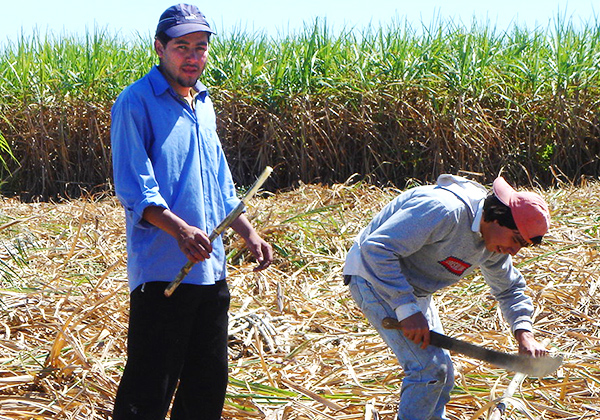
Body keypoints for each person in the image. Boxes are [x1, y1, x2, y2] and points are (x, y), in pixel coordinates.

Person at [110, 4, 273, 419]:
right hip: (164, 272)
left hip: (210, 270)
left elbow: (218, 182)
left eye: (200, 47)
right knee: (150, 385)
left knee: (207, 383)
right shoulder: (135, 103)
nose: (192, 56)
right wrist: (180, 230)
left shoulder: (203, 103)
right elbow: (135, 189)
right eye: (181, 46)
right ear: (160, 48)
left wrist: (247, 231)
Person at [343, 174, 550, 420]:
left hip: (413, 290)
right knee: (428, 370)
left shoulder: (494, 245)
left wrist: (524, 333)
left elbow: (509, 289)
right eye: (515, 240)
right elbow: (376, 249)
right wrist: (406, 308)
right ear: (495, 216)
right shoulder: (443, 210)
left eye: (522, 246)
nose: (514, 251)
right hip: (372, 276)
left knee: (443, 374)